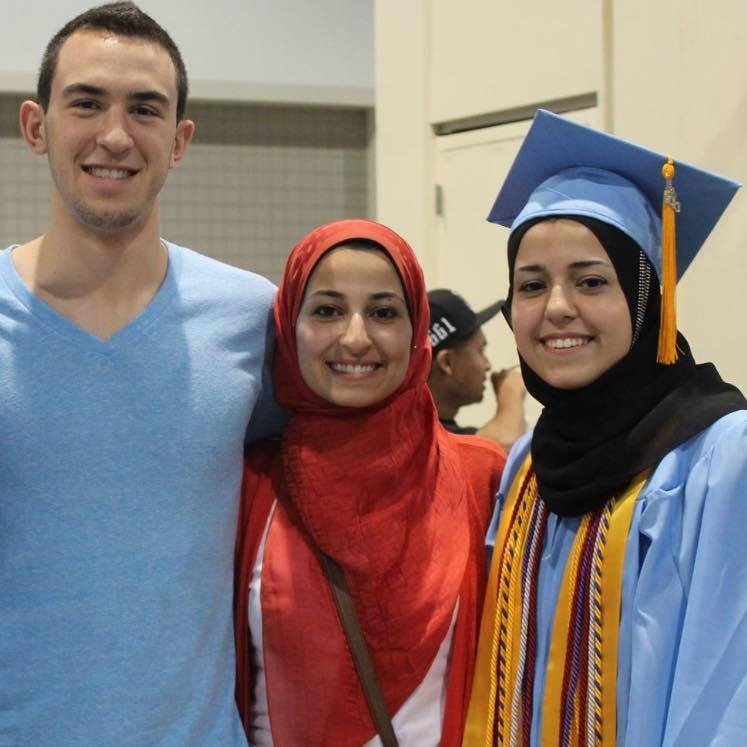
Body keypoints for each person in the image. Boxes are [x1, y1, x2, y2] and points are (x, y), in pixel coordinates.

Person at [1, 4, 282, 745]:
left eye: (145, 109)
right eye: (86, 103)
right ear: (36, 126)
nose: (115, 136)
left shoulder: (252, 319)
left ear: (180, 140)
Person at [463, 109, 747, 747]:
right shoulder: (531, 462)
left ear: (646, 300)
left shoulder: (723, 457)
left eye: (592, 281)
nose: (558, 307)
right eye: (531, 285)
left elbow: (728, 691)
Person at [234, 219, 507, 746]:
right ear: (290, 325)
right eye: (327, 310)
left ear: (415, 329)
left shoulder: (481, 477)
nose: (355, 338)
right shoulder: (249, 484)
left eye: (383, 312)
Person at [427, 288, 526, 451]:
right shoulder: (422, 439)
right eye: (480, 350)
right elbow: (505, 445)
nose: (487, 365)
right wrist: (510, 393)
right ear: (447, 362)